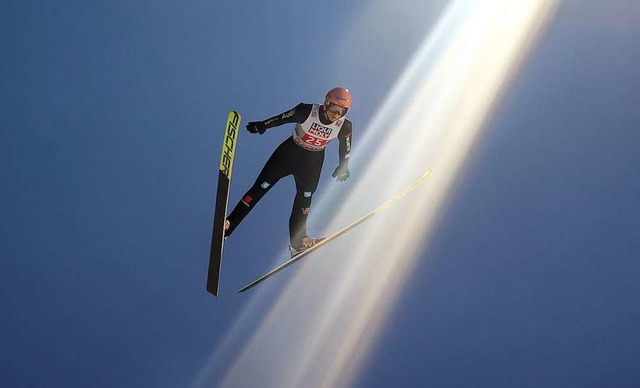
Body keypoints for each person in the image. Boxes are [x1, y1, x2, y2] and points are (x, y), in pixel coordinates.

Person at [224, 87, 353, 255]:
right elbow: (282, 118)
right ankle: (228, 226)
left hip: (312, 162)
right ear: (326, 103)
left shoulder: (344, 125)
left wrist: (344, 165)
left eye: (341, 112)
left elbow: (346, 147)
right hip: (289, 153)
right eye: (334, 109)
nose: (336, 115)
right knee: (260, 188)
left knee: (305, 198)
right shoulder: (307, 111)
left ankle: (298, 243)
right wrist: (263, 125)